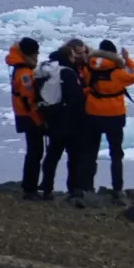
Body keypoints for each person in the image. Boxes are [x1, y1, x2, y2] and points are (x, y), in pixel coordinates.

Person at [84, 38, 134, 198]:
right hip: (114, 115)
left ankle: (87, 187)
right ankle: (117, 188)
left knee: (91, 152)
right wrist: (127, 59)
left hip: (93, 113)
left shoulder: (89, 68)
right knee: (116, 153)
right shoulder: (118, 72)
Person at [36, 40, 92, 198]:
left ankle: (46, 186)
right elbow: (77, 99)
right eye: (73, 56)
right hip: (71, 122)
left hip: (53, 120)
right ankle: (73, 188)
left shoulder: (46, 73)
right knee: (74, 156)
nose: (75, 59)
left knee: (52, 155)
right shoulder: (68, 73)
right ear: (68, 57)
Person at [7, 37, 45, 196]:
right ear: (30, 54)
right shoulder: (25, 73)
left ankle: (29, 185)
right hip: (29, 117)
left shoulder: (20, 68)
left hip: (23, 114)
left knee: (33, 151)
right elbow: (29, 100)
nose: (38, 56)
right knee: (35, 152)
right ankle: (30, 187)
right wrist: (39, 120)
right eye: (36, 53)